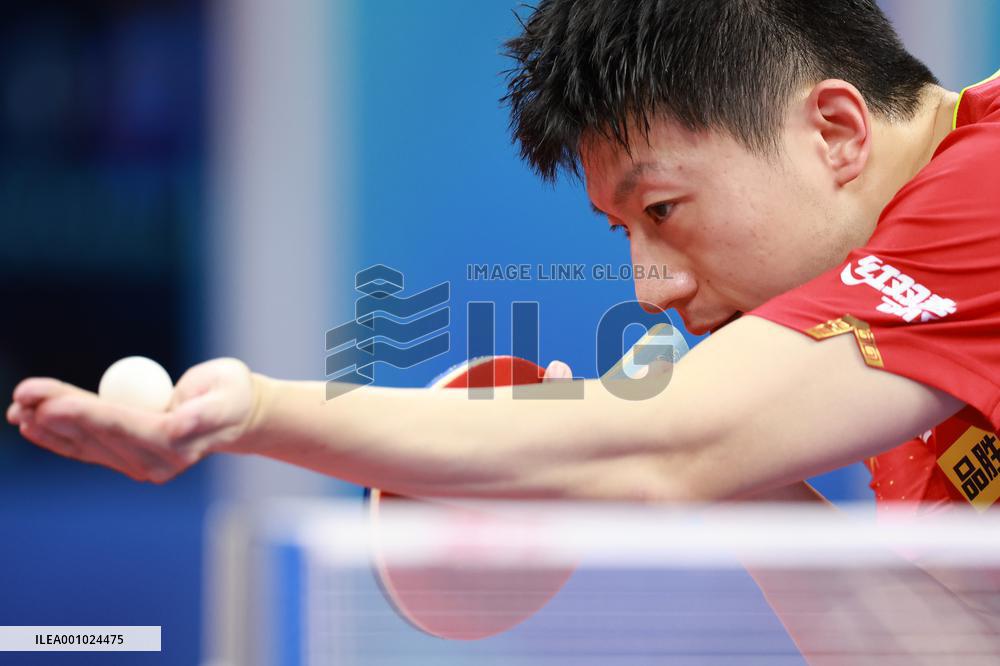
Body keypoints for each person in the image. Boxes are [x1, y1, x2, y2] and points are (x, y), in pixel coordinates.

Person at [5, 1, 1000, 517]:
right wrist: (747, 485)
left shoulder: (980, 196)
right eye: (625, 234)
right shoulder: (900, 335)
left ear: (833, 130)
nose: (653, 288)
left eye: (663, 208)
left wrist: (255, 411)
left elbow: (660, 441)